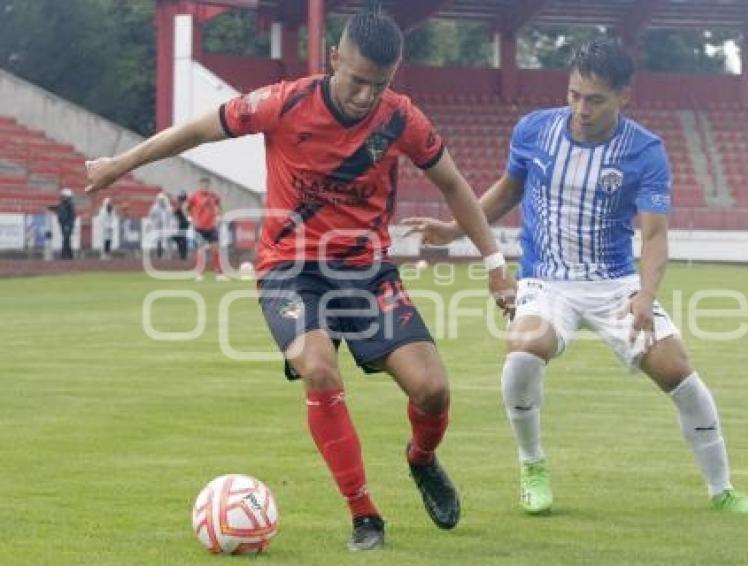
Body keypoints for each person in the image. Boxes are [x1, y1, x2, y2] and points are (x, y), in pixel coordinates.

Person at [84, 2, 515, 551]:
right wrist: (121, 164)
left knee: (432, 390)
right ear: (334, 57)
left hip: (366, 271)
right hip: (290, 270)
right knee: (318, 368)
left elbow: (454, 185)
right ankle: (364, 514)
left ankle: (421, 458)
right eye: (356, 80)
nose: (364, 95)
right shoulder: (283, 102)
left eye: (377, 85)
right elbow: (196, 130)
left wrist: (495, 266)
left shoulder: (401, 118)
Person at [402, 39, 748, 516]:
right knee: (522, 351)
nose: (581, 108)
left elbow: (655, 236)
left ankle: (722, 490)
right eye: (574, 94)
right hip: (546, 281)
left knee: (680, 373)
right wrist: (454, 229)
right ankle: (532, 465)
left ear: (624, 97)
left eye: (595, 99)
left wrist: (646, 295)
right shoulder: (535, 130)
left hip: (615, 284)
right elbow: (509, 189)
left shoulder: (645, 151)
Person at [187, 177, 224, 280]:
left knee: (215, 249)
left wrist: (219, 217)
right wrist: (190, 218)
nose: (205, 187)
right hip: (199, 227)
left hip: (211, 226)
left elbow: (219, 206)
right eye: (203, 185)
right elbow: (187, 207)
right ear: (200, 185)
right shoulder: (194, 196)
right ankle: (199, 273)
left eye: (207, 185)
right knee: (200, 250)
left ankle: (219, 273)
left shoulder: (214, 196)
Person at [51, 188, 76, 260]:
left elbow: (72, 216)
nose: (62, 198)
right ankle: (70, 255)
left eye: (64, 196)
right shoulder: (63, 204)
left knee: (65, 239)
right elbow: (58, 208)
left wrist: (68, 224)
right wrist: (52, 208)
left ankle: (64, 254)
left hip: (67, 225)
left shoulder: (70, 205)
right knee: (66, 239)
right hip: (63, 224)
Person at [148, 192, 173, 259]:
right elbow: (151, 216)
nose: (161, 201)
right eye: (160, 200)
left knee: (167, 241)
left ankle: (168, 255)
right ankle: (159, 255)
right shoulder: (155, 208)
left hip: (166, 227)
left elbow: (170, 217)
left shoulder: (168, 207)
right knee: (158, 241)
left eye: (162, 199)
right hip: (158, 227)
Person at [172, 190, 190, 261]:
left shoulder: (183, 204)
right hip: (181, 223)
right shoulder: (182, 204)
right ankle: (183, 255)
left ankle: (183, 256)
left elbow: (175, 211)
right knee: (180, 239)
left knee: (181, 239)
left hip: (183, 223)